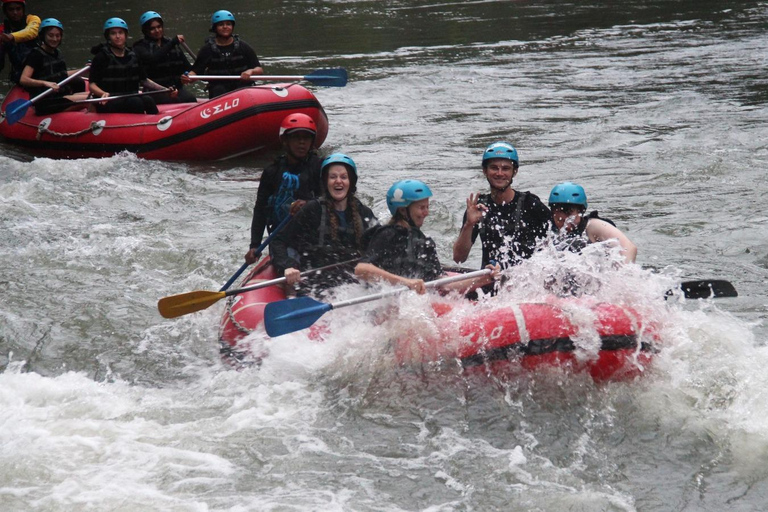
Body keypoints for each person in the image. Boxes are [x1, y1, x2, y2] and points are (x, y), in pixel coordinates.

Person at [355, 180, 499, 295]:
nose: (426, 213)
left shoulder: (422, 241)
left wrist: (484, 279)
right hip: (384, 304)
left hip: (412, 303)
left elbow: (443, 284)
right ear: (403, 210)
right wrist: (406, 282)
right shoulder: (387, 234)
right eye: (421, 207)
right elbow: (361, 269)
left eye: (427, 207)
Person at [270, 153, 378, 296]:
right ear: (326, 182)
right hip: (316, 284)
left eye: (343, 177)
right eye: (333, 177)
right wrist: (288, 266)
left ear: (351, 182)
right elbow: (278, 241)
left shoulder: (363, 213)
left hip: (353, 285)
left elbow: (380, 245)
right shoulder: (313, 210)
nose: (338, 181)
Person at [453, 142, 552, 272]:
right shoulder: (478, 208)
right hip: (490, 278)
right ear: (485, 171)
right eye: (494, 168)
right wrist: (469, 224)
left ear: (514, 172)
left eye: (505, 168)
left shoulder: (531, 204)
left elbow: (556, 240)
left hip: (524, 280)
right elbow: (458, 258)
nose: (499, 173)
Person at [244, 113, 323, 264]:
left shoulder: (318, 167)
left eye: (306, 138)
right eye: (296, 137)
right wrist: (255, 245)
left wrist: (309, 205)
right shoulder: (272, 172)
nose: (302, 142)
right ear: (285, 141)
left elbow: (329, 201)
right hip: (282, 238)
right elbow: (260, 210)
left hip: (313, 236)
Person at [89, 18, 173, 115]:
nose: (117, 36)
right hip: (109, 99)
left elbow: (144, 80)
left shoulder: (133, 55)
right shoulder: (101, 57)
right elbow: (92, 84)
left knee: (148, 100)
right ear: (108, 36)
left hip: (128, 96)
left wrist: (164, 90)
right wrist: (102, 93)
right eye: (113, 33)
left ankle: (157, 125)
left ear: (125, 35)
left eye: (120, 33)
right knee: (135, 102)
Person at [181, 10, 263, 99]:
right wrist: (188, 77)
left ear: (232, 26)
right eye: (221, 25)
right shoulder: (207, 50)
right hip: (219, 90)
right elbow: (196, 72)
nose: (225, 27)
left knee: (244, 90)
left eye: (228, 24)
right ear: (215, 28)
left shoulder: (243, 47)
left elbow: (259, 69)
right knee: (219, 89)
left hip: (241, 87)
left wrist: (251, 71)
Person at [548, 182, 637, 263]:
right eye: (560, 220)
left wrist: (622, 276)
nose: (565, 225)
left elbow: (629, 248)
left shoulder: (593, 226)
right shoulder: (551, 232)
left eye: (569, 218)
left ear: (580, 211)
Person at [18, 18, 88, 115]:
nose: (55, 39)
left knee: (89, 91)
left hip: (59, 96)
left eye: (57, 36)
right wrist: (45, 83)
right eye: (51, 35)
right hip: (45, 101)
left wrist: (85, 69)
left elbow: (62, 75)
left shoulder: (57, 53)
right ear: (43, 36)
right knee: (90, 99)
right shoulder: (36, 55)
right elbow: (24, 79)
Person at [132, 11, 195, 104]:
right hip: (155, 92)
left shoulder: (171, 44)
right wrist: (172, 43)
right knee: (174, 100)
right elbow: (153, 59)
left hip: (176, 88)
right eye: (152, 28)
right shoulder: (140, 47)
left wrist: (188, 75)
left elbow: (188, 67)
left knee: (191, 99)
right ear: (146, 31)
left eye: (159, 27)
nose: (157, 30)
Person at [0, 0, 40, 83]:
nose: (15, 13)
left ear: (23, 9)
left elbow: (32, 31)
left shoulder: (32, 19)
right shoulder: (2, 30)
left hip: (41, 69)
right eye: (11, 10)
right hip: (21, 75)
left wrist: (12, 36)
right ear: (5, 11)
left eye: (18, 9)